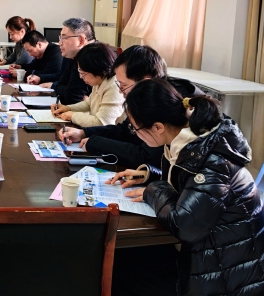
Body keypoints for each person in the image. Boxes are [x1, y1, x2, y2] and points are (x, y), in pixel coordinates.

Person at [106, 78, 264, 296]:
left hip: (225, 274)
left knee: (120, 275)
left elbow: (185, 224)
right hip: (206, 253)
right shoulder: (186, 142)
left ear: (158, 127)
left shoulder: (213, 160)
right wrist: (150, 176)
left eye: (135, 128)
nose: (135, 133)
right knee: (120, 263)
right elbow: (189, 185)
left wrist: (152, 189)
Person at [59, 45, 203, 168]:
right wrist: (84, 133)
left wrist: (96, 142)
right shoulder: (149, 95)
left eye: (123, 85)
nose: (120, 92)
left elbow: (147, 156)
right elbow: (126, 130)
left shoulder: (166, 102)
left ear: (144, 81)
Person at [52, 42, 124, 127]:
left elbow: (101, 123)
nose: (81, 77)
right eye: (79, 72)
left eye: (83, 73)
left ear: (99, 69)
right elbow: (89, 103)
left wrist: (73, 116)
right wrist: (67, 108)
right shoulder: (100, 80)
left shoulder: (114, 86)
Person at [43, 18, 94, 104]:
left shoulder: (91, 57)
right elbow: (61, 84)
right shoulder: (72, 55)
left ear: (81, 40)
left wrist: (65, 90)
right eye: (60, 37)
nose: (60, 42)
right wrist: (65, 89)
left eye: (64, 38)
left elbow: (72, 97)